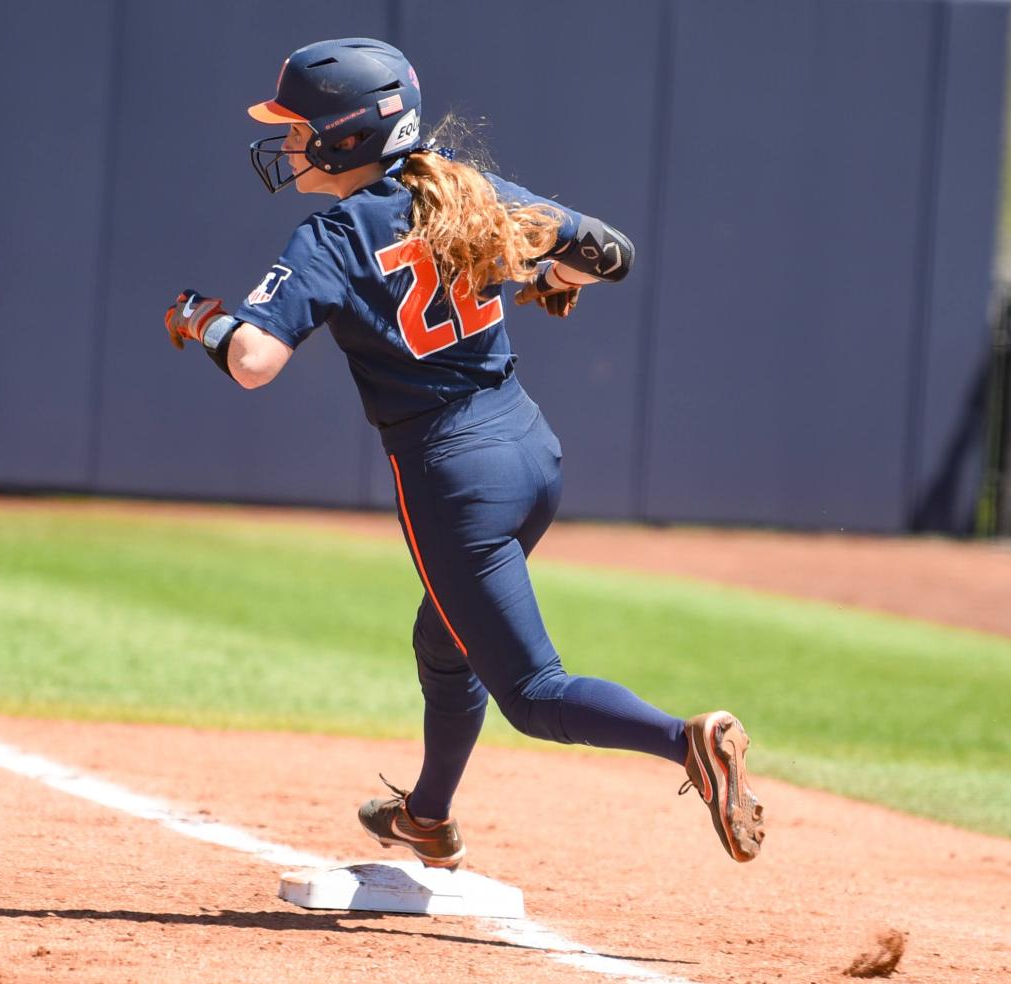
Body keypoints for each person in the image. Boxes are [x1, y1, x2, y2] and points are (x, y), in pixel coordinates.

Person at [164, 38, 764, 869]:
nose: (287, 142)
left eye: (298, 127)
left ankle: (685, 741)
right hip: (528, 450)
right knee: (445, 637)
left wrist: (205, 321)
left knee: (534, 694)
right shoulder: (466, 189)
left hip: (453, 476)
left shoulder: (331, 233)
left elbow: (253, 363)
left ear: (345, 137)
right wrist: (551, 276)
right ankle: (428, 815)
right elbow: (609, 255)